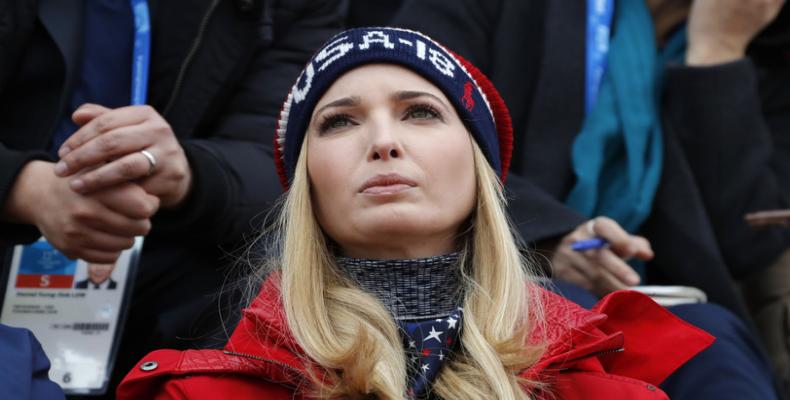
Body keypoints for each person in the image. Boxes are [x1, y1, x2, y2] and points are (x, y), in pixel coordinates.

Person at [111, 27, 776, 400]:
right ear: (307, 185)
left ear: (482, 171)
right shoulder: (197, 397)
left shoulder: (620, 393)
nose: (383, 141)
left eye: (421, 112)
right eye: (338, 122)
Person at [0, 0, 345, 396]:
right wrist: (23, 187)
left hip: (159, 250)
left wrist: (186, 174)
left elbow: (284, 159)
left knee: (287, 259)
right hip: (15, 225)